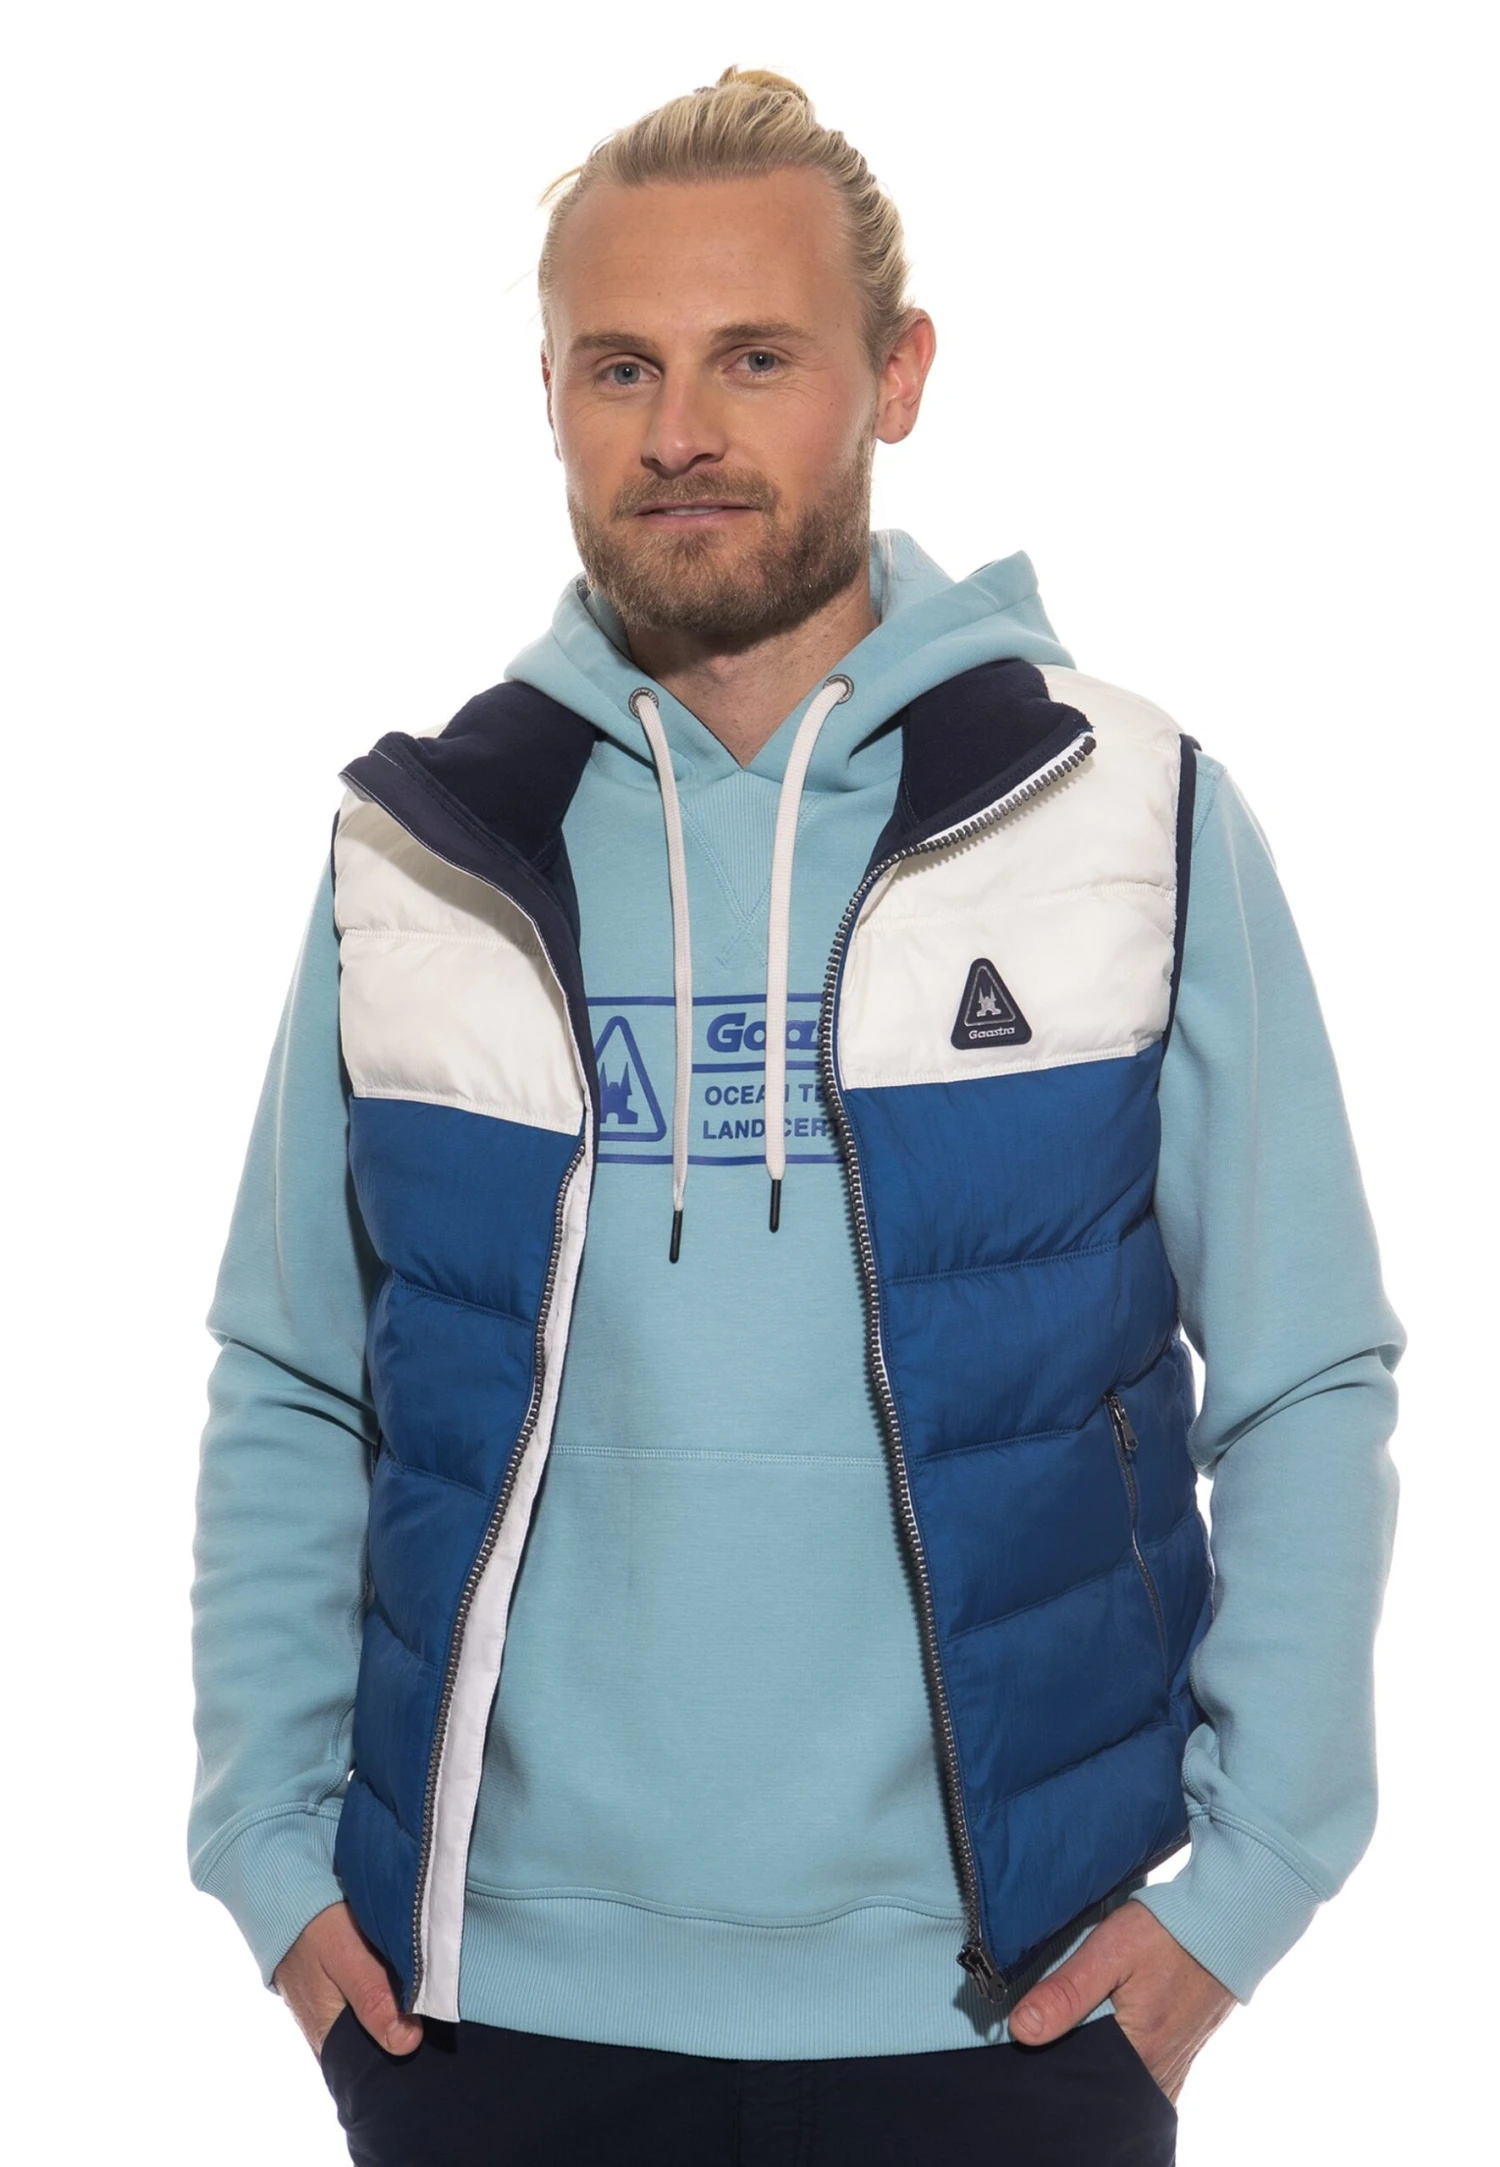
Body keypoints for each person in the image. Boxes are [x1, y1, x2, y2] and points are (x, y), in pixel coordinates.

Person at [188, 65, 1404, 2167]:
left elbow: (1305, 1372)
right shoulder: (425, 850)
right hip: (479, 2017)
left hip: (1013, 2008)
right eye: (620, 367)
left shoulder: (1123, 814)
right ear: (550, 397)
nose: (681, 429)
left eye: (755, 357)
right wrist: (271, 1858)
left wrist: (1255, 1876)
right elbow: (294, 1376)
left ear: (896, 375)